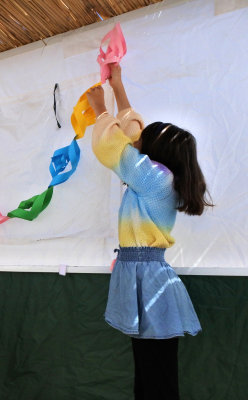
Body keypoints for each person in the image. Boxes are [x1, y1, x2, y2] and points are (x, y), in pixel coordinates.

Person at [86, 64, 212, 400]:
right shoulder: (158, 180)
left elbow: (114, 146)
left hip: (149, 285)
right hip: (147, 281)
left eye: (144, 140)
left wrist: (101, 108)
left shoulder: (155, 178)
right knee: (150, 376)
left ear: (157, 153)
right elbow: (130, 138)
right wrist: (118, 86)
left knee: (155, 380)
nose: (136, 140)